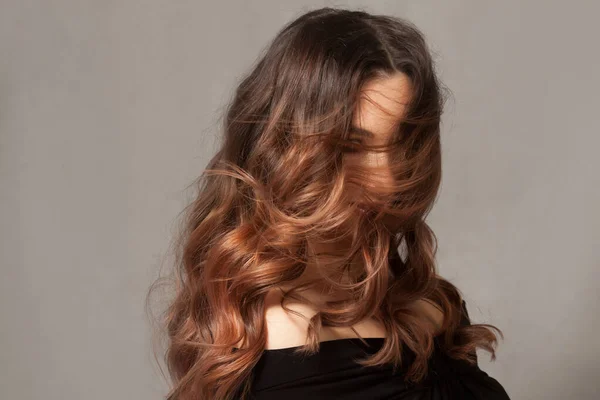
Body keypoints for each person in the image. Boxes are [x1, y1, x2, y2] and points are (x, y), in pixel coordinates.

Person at [148, 6, 511, 400]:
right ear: (283, 146)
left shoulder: (436, 307)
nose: (386, 179)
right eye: (353, 146)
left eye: (401, 146)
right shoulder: (266, 345)